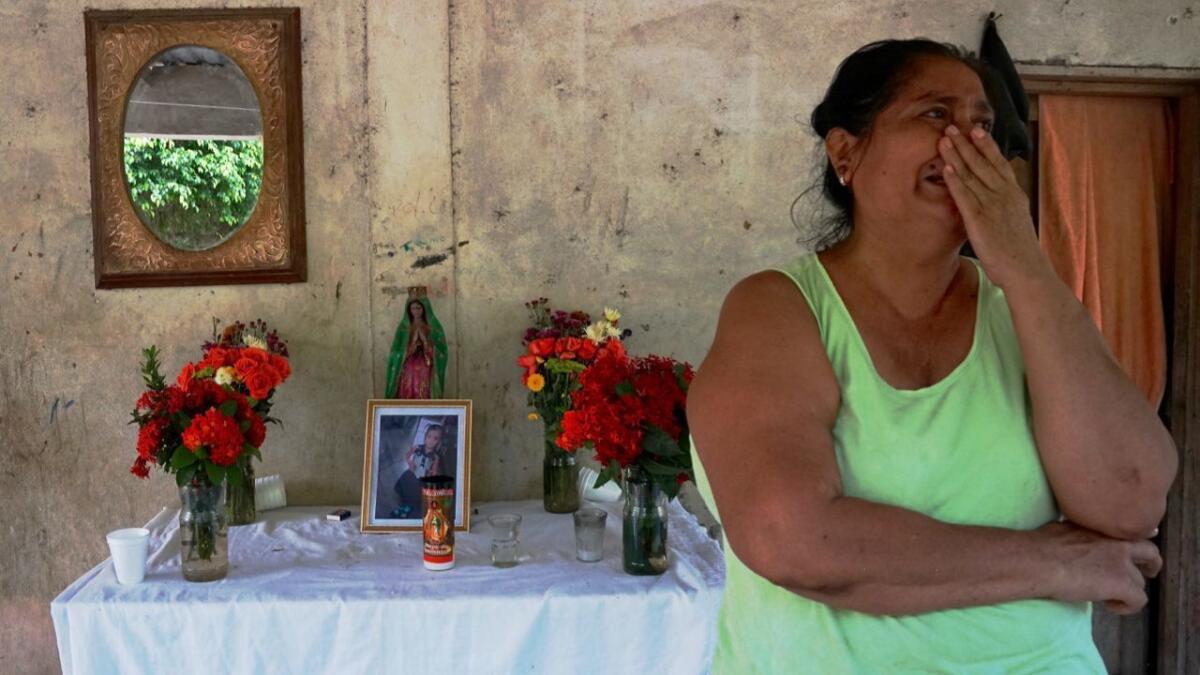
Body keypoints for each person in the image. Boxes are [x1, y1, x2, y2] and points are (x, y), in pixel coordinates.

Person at [687, 39, 1178, 673]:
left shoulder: (1026, 313)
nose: (967, 143)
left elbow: (1131, 500)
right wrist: (1057, 562)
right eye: (935, 115)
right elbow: (793, 539)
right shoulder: (779, 309)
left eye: (983, 125)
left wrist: (1025, 267)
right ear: (845, 153)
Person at [385, 292, 449, 399]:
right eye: (413, 308)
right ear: (409, 310)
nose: (416, 311)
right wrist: (411, 345)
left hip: (426, 364)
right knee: (408, 378)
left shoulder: (433, 327)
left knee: (424, 383)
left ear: (424, 309)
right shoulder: (403, 328)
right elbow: (395, 352)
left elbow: (441, 351)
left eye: (418, 308)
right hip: (407, 364)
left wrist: (425, 341)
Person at [391, 424, 451, 519]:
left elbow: (434, 472)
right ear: (425, 437)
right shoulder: (417, 448)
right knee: (403, 490)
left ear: (439, 442)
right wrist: (410, 462)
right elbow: (407, 456)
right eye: (429, 437)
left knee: (416, 498)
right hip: (410, 474)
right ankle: (402, 506)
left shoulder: (436, 457)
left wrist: (432, 477)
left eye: (435, 439)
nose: (431, 441)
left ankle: (409, 509)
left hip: (422, 479)